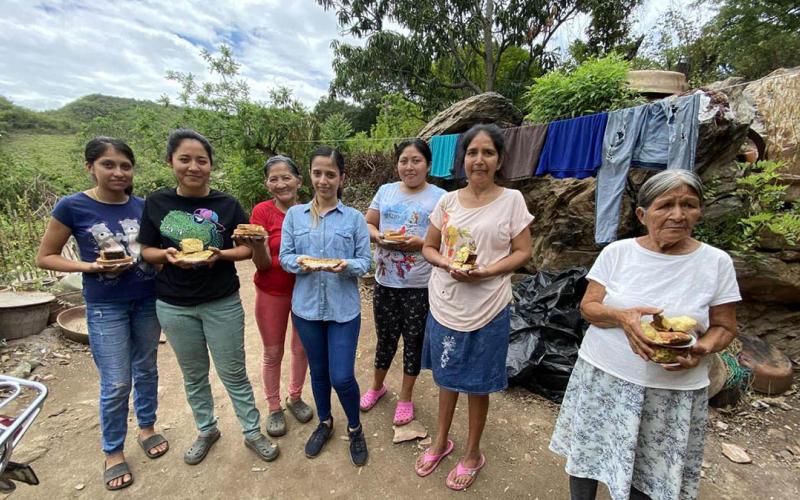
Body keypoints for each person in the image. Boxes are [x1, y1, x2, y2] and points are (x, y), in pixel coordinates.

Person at [549, 170, 741, 500]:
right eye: (665, 205)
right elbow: (589, 307)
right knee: (587, 456)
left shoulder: (716, 262)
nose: (678, 215)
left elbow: (725, 327)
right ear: (643, 214)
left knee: (650, 471)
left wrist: (701, 349)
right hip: (604, 378)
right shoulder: (618, 253)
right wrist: (622, 317)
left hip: (671, 391)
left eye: (689, 205)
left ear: (700, 211)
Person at [138, 129, 278, 466]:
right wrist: (167, 255)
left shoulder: (227, 204)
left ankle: (251, 431)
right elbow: (145, 249)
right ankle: (206, 429)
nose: (193, 166)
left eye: (201, 160)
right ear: (170, 161)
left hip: (221, 301)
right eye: (184, 159)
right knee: (194, 374)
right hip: (173, 305)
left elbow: (246, 246)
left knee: (233, 372)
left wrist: (221, 254)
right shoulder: (157, 202)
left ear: (211, 165)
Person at [36, 137, 167, 491]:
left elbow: (153, 250)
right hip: (105, 304)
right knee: (116, 381)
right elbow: (46, 256)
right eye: (108, 164)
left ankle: (147, 427)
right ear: (90, 167)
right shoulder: (72, 206)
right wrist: (89, 266)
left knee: (147, 368)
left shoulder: (143, 206)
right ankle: (112, 451)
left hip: (146, 299)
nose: (118, 172)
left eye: (125, 165)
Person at [415, 124, 534, 491]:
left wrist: (486, 271)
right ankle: (440, 441)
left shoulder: (512, 200)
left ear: (499, 159)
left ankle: (472, 453)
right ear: (462, 159)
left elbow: (523, 251)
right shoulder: (447, 201)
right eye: (472, 153)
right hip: (446, 302)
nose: (479, 160)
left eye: (488, 152)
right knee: (447, 377)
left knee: (477, 384)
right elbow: (429, 247)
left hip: (488, 306)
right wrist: (446, 264)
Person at [279, 146, 371, 466]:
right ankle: (325, 422)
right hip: (305, 309)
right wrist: (301, 263)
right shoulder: (294, 215)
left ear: (341, 178)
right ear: (310, 176)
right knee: (318, 371)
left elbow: (365, 263)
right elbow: (285, 257)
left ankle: (355, 427)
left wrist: (344, 264)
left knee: (342, 376)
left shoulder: (355, 219)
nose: (323, 180)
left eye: (330, 174)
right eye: (318, 173)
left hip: (343, 310)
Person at [359, 139, 445, 425]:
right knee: (385, 339)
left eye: (416, 160)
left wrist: (422, 243)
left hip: (420, 285)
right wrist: (379, 237)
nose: (409, 166)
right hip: (385, 282)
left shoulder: (440, 197)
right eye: (404, 160)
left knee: (413, 342)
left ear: (428, 165)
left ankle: (406, 398)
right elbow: (368, 224)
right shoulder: (385, 191)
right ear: (397, 164)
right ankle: (377, 387)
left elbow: (447, 240)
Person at [237, 155, 313, 437]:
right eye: (274, 179)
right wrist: (258, 245)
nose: (281, 184)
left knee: (301, 348)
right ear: (267, 184)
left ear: (298, 181)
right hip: (272, 290)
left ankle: (295, 396)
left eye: (286, 177)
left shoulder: (309, 211)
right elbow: (263, 264)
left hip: (305, 290)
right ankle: (273, 407)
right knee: (272, 351)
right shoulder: (262, 212)